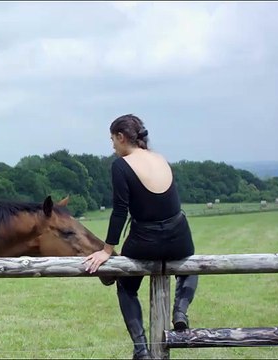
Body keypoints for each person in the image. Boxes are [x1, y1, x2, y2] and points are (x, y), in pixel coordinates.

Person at [84, 114, 199, 360]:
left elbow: (120, 210)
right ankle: (180, 312)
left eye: (112, 139)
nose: (112, 146)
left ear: (121, 137)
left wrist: (106, 250)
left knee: (126, 287)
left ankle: (141, 349)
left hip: (145, 241)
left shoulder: (121, 165)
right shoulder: (161, 159)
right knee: (189, 267)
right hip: (179, 235)